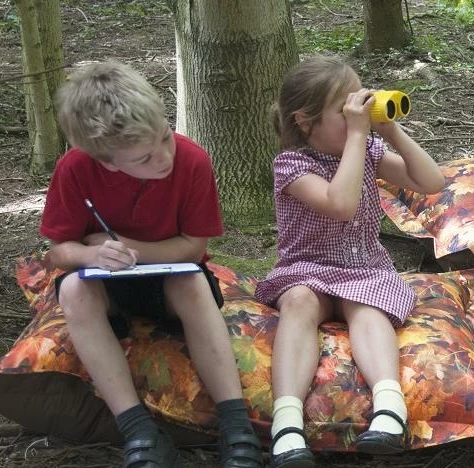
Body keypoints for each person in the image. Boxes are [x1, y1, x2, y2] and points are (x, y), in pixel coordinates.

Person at [41, 62, 262, 468]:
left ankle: (236, 425)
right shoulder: (75, 169)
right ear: (107, 161)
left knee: (193, 284)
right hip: (105, 286)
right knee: (73, 290)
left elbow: (194, 247)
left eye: (165, 136)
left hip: (172, 279)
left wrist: (130, 247)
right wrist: (91, 254)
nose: (164, 157)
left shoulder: (192, 160)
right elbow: (58, 252)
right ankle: (138, 430)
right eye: (144, 156)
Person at [255, 55, 444, 467]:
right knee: (300, 302)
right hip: (307, 267)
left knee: (367, 303)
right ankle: (287, 423)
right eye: (346, 110)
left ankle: (389, 408)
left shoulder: (369, 147)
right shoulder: (292, 164)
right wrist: (360, 137)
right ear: (305, 121)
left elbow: (432, 182)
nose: (359, 114)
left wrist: (390, 129)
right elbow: (339, 204)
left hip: (364, 268)